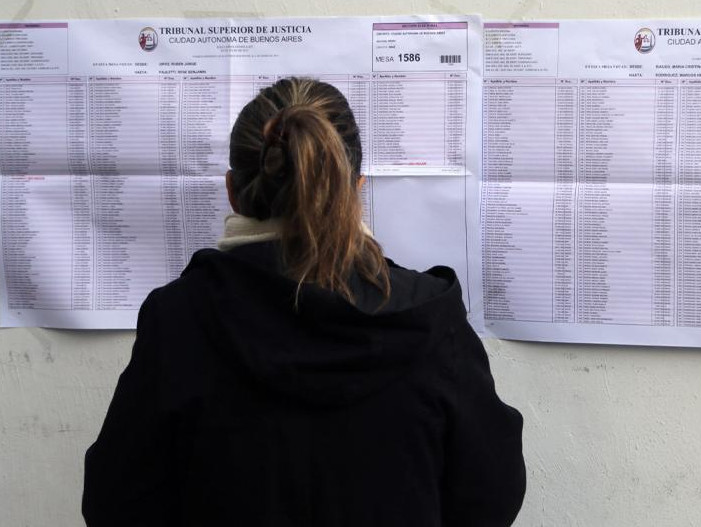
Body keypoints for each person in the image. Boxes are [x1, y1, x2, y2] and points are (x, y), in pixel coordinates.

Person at [82, 77, 526, 526]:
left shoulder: (179, 321)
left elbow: (116, 503)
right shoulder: (429, 320)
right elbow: (489, 497)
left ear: (232, 191)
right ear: (354, 188)